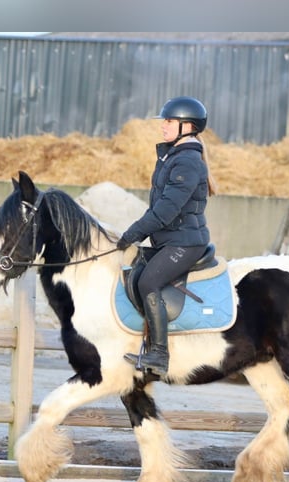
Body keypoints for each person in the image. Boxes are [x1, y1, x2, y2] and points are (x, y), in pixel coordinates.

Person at [117, 96, 216, 377]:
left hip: (186, 243)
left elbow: (165, 211)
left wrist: (132, 233)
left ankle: (159, 355)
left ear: (188, 126)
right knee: (136, 270)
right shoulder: (173, 157)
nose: (163, 127)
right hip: (172, 240)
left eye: (170, 122)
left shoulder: (186, 162)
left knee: (149, 281)